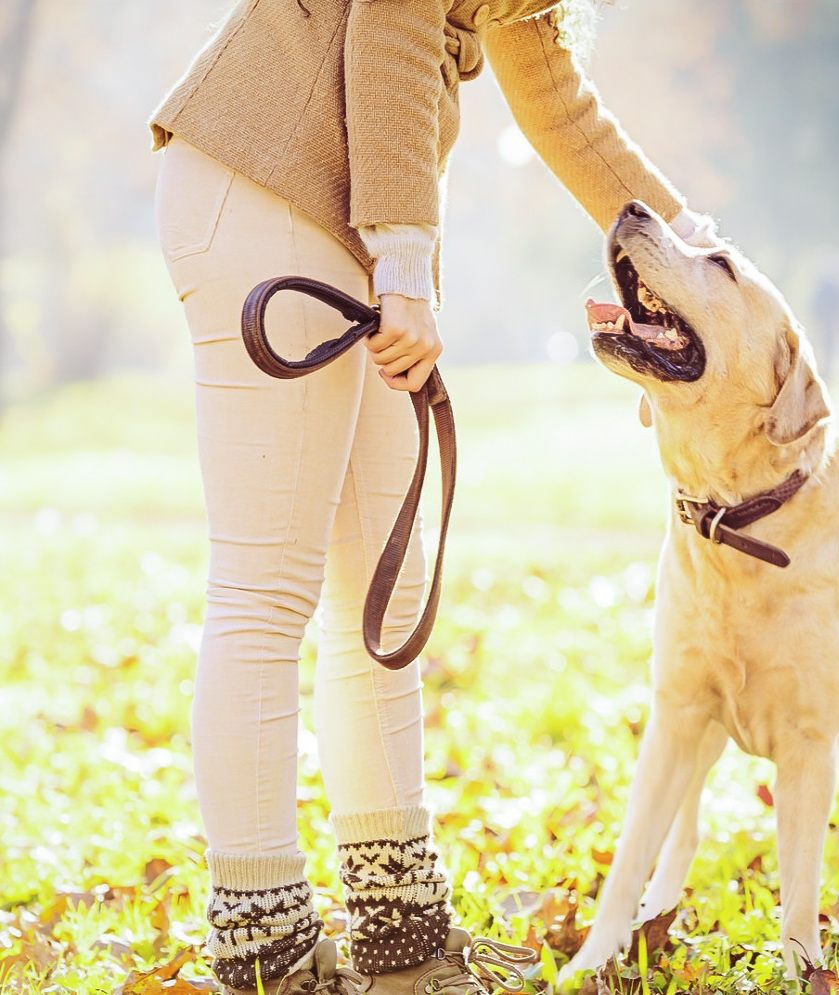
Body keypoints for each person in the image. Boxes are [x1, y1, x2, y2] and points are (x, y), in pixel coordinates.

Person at [150, 2, 716, 993]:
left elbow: (557, 100)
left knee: (383, 599)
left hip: (335, 209)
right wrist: (404, 260)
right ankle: (267, 951)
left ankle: (403, 939)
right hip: (267, 177)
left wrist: (691, 271)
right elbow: (393, 22)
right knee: (266, 584)